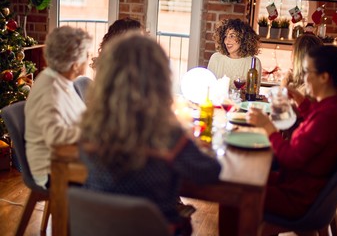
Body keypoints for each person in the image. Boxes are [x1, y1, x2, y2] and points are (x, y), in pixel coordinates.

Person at [79, 32, 221, 235]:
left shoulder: (90, 129)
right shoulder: (168, 135)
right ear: (160, 79)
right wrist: (192, 140)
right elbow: (210, 172)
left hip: (96, 228)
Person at [247, 45, 337, 219]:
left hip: (297, 197)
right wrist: (302, 102)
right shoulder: (335, 105)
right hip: (302, 186)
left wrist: (268, 128)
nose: (304, 77)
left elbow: (291, 158)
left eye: (308, 72)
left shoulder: (328, 116)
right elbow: (317, 129)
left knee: (234, 190)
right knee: (245, 178)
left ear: (324, 77)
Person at [25, 26, 92, 188]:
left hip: (68, 159)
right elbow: (55, 136)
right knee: (116, 179)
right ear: (75, 64)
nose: (90, 58)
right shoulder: (51, 89)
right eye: (87, 55)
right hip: (51, 170)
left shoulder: (62, 80)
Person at [207, 18, 262, 94]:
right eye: (225, 36)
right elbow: (208, 89)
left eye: (232, 36)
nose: (227, 41)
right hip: (219, 104)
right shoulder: (216, 58)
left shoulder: (253, 62)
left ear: (243, 38)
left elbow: (254, 93)